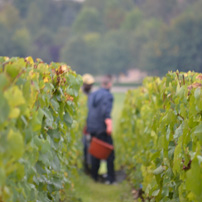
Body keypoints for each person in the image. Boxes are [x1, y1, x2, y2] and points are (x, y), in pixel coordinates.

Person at [87, 75, 115, 184]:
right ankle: (110, 179)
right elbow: (106, 111)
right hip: (102, 128)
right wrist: (109, 125)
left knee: (95, 152)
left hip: (92, 127)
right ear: (109, 84)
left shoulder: (93, 94)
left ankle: (94, 177)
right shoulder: (108, 96)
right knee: (109, 153)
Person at [82, 74, 95, 174]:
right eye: (88, 84)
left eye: (91, 85)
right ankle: (84, 167)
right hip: (82, 126)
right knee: (83, 146)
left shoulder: (91, 96)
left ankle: (88, 168)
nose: (90, 86)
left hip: (89, 125)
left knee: (88, 146)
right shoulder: (80, 95)